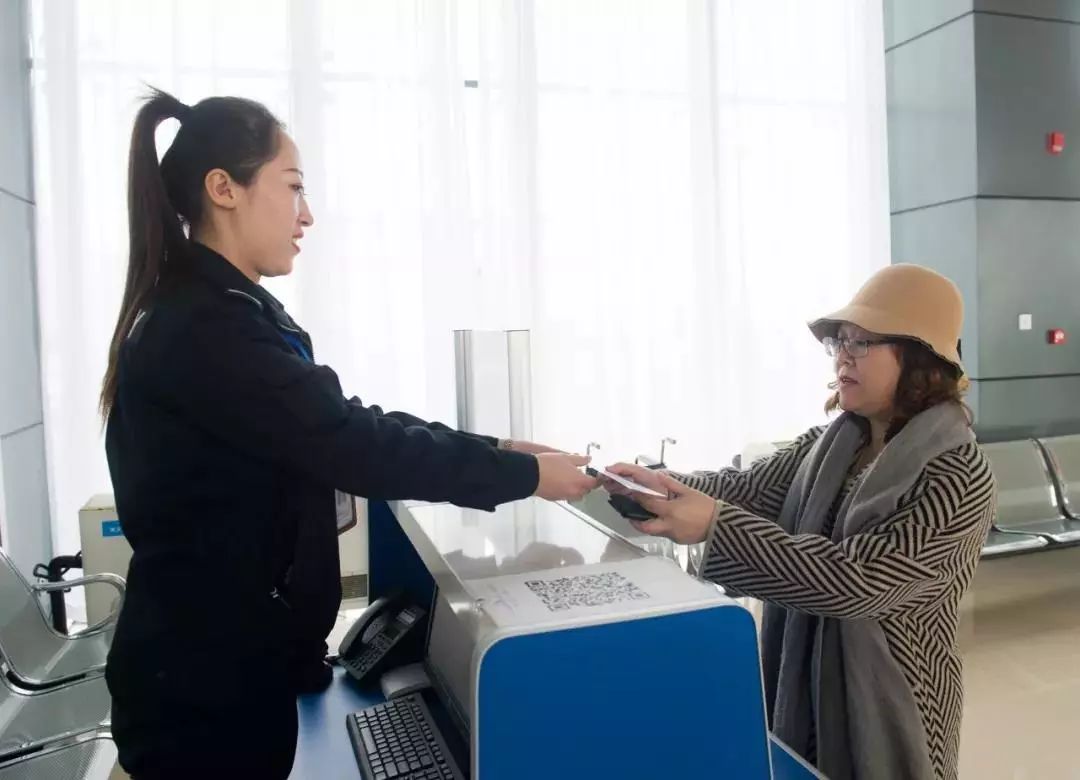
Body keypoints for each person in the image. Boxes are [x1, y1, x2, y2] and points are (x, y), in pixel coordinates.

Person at [101, 89, 597, 780]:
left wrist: (500, 451)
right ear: (224, 189)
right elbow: (352, 442)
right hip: (202, 698)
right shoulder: (208, 328)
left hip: (216, 675)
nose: (307, 215)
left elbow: (343, 418)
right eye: (293, 187)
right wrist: (525, 479)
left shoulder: (221, 311)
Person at [605, 264, 997, 780]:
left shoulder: (957, 471)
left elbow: (859, 581)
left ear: (919, 356)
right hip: (804, 686)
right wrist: (656, 486)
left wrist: (716, 526)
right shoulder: (830, 443)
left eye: (861, 343)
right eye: (838, 341)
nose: (841, 356)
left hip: (895, 698)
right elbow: (741, 490)